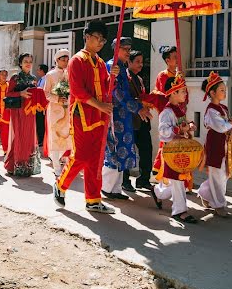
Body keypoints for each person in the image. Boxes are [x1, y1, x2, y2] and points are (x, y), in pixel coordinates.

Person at [54, 21, 118, 214]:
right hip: (82, 115)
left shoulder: (100, 63)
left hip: (100, 115)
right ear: (87, 37)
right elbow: (78, 91)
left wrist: (112, 77)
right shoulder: (76, 60)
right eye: (97, 38)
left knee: (96, 159)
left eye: (103, 39)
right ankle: (60, 185)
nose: (100, 42)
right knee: (81, 156)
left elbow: (106, 88)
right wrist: (100, 105)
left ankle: (93, 199)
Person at [102, 37, 151, 199]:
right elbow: (116, 94)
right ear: (116, 49)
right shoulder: (111, 66)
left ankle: (116, 189)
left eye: (129, 49)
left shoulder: (122, 67)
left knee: (122, 151)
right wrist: (137, 108)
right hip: (114, 116)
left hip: (124, 117)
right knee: (113, 150)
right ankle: (107, 188)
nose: (128, 52)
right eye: (125, 49)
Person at [149, 74, 200, 224]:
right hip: (172, 152)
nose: (185, 93)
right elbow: (163, 132)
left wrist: (189, 126)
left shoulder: (178, 110)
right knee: (178, 181)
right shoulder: (167, 112)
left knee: (177, 181)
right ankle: (179, 211)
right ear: (173, 93)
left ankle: (157, 192)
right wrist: (179, 130)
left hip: (180, 150)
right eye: (183, 91)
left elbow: (182, 126)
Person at [198, 72, 232, 217]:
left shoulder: (223, 108)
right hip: (215, 144)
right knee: (217, 174)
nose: (224, 92)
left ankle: (204, 192)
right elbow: (221, 127)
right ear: (212, 93)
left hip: (224, 144)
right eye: (221, 90)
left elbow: (228, 124)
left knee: (223, 174)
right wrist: (230, 126)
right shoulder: (211, 110)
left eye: (224, 90)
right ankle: (219, 205)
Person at [4, 54, 41, 176]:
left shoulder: (33, 78)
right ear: (20, 63)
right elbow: (8, 94)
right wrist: (21, 93)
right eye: (26, 61)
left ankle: (27, 167)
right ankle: (13, 165)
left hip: (30, 112)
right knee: (19, 135)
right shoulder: (15, 77)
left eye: (30, 61)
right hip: (18, 111)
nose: (28, 63)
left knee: (29, 137)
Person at [128, 50, 154, 190]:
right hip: (130, 120)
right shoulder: (125, 77)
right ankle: (125, 181)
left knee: (146, 150)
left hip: (142, 120)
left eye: (142, 62)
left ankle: (143, 179)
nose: (140, 65)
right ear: (129, 62)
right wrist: (142, 102)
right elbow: (126, 99)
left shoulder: (139, 79)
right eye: (137, 61)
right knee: (127, 151)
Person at [43, 50, 71, 177]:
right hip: (54, 110)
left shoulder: (70, 74)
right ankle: (56, 167)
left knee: (67, 137)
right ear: (57, 60)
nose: (65, 62)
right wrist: (57, 99)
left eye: (67, 60)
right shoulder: (50, 75)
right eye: (63, 60)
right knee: (55, 137)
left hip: (67, 109)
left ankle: (60, 160)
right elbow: (46, 93)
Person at [154, 45, 188, 118]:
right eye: (175, 57)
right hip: (167, 111)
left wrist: (185, 103)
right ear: (167, 60)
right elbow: (164, 95)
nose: (177, 59)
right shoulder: (163, 75)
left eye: (178, 57)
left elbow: (185, 92)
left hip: (180, 109)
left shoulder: (179, 75)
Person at [35, 64, 48, 147]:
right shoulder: (40, 80)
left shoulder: (45, 80)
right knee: (38, 122)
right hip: (37, 104)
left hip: (42, 105)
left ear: (42, 71)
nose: (37, 71)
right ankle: (39, 139)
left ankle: (41, 140)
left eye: (39, 70)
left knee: (41, 123)